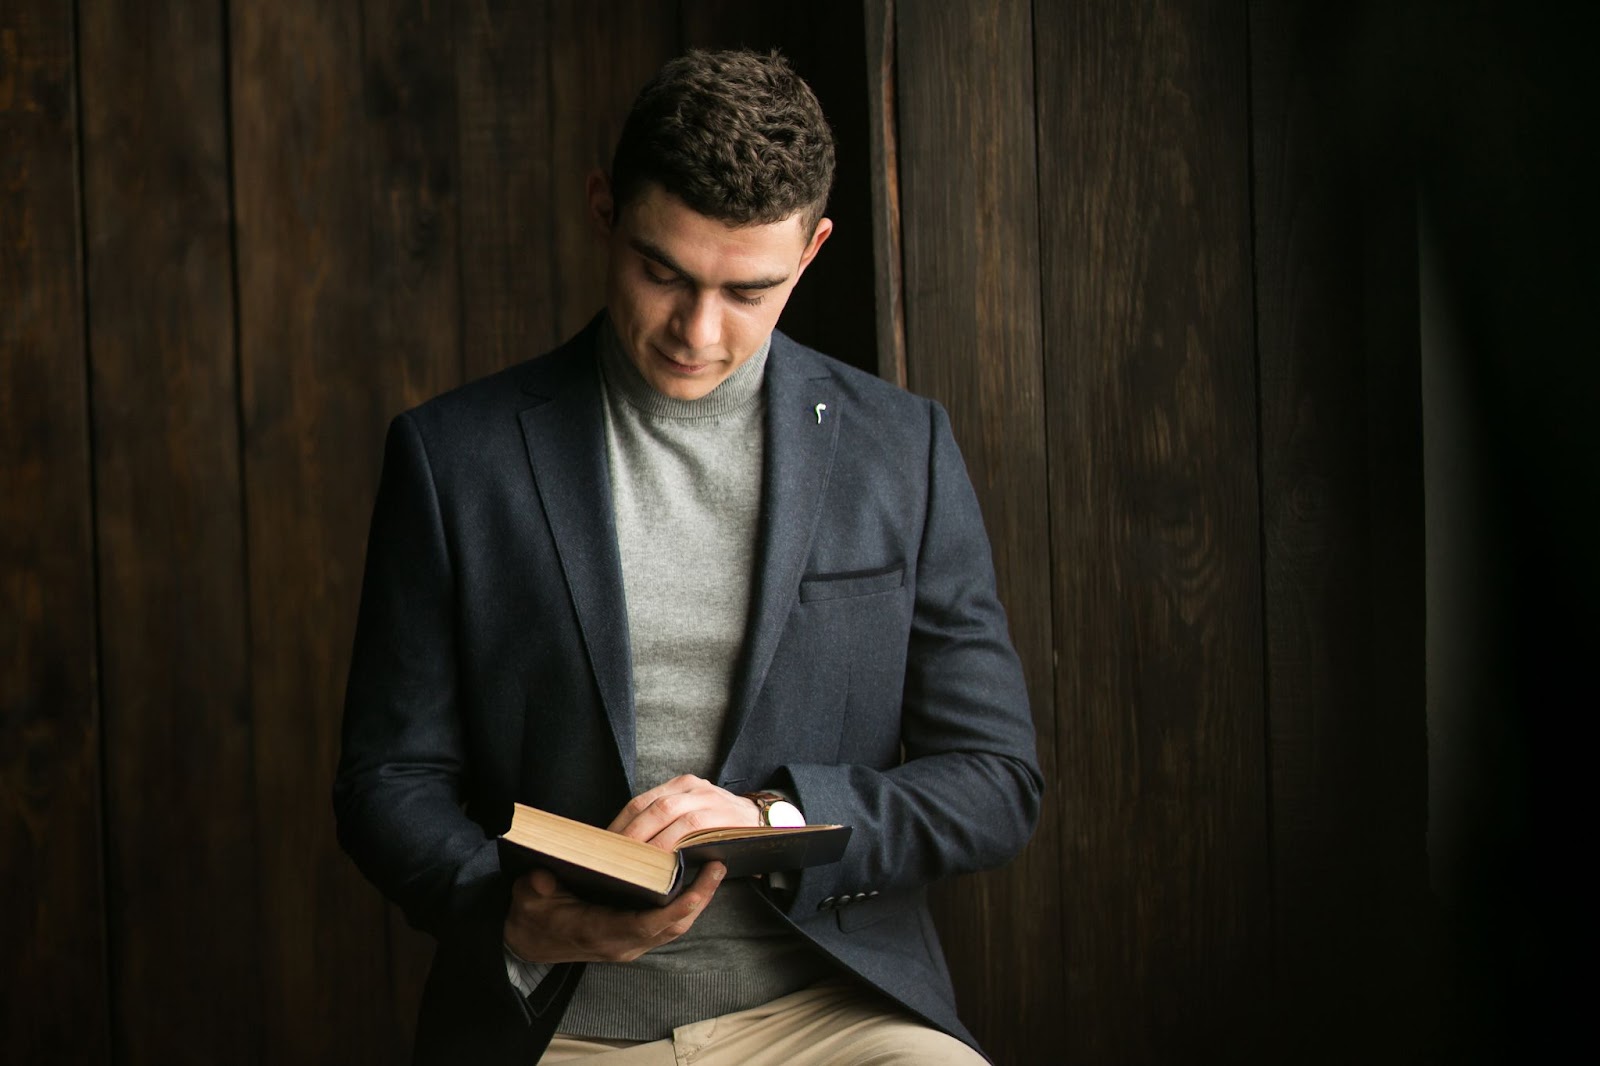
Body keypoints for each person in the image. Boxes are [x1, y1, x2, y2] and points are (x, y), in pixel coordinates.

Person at [334, 49, 1041, 1065]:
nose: (696, 332)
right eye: (661, 272)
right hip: (558, 1028)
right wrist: (506, 909)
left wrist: (772, 815)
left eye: (748, 291)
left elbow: (995, 779)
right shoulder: (455, 458)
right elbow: (386, 777)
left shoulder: (903, 449)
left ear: (812, 253)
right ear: (602, 209)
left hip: (834, 1013)